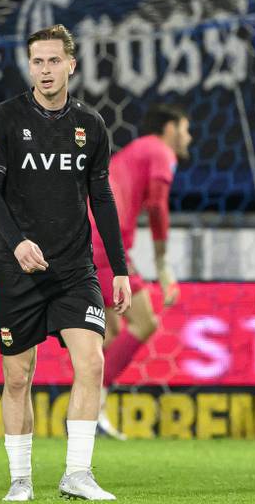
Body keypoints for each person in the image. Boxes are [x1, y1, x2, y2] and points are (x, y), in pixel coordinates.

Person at [0, 24, 129, 501]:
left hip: (73, 269)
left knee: (92, 361)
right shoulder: (2, 119)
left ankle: (77, 473)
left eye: (53, 61)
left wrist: (119, 268)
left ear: (71, 65)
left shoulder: (91, 124)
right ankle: (21, 479)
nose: (44, 70)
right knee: (18, 376)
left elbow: (101, 197)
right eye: (37, 61)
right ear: (30, 66)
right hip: (15, 267)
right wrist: (18, 241)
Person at [93, 104, 191, 440]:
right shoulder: (160, 150)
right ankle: (91, 411)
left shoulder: (134, 152)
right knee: (145, 322)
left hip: (87, 235)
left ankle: (86, 413)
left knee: (109, 334)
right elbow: (158, 205)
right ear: (170, 128)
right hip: (105, 242)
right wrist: (163, 265)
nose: (188, 137)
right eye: (185, 129)